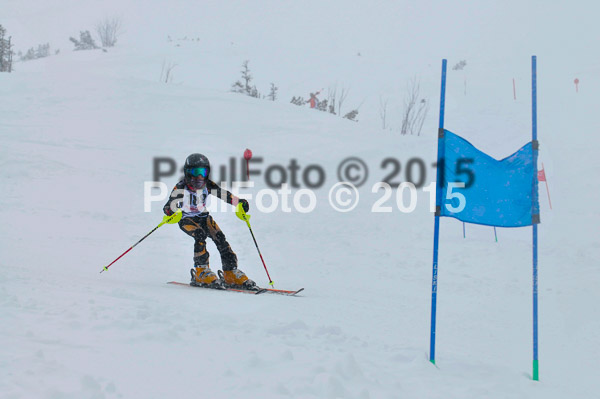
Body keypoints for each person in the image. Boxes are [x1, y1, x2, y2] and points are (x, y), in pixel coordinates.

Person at [163, 153, 255, 289]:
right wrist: (171, 211)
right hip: (186, 219)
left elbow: (223, 194)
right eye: (195, 172)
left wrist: (238, 202)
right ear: (187, 172)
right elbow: (168, 206)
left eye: (203, 172)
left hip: (203, 217)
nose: (199, 177)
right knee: (199, 235)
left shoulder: (207, 185)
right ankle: (201, 270)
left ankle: (230, 272)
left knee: (220, 238)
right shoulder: (181, 188)